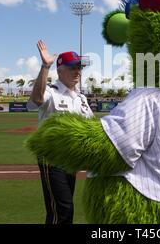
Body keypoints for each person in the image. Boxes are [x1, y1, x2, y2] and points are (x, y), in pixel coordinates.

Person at [27, 40, 93, 224]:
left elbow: (92, 126)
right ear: (60, 70)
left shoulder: (81, 99)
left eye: (79, 67)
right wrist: (45, 66)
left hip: (71, 160)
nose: (77, 71)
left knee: (65, 209)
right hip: (52, 158)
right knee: (62, 210)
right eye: (72, 67)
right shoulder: (51, 92)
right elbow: (37, 99)